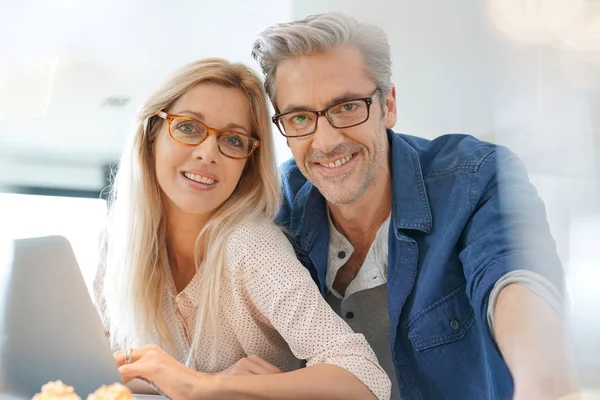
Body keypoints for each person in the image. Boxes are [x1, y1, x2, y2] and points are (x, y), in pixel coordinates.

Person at [252, 12, 580, 400]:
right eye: (301, 117)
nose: (325, 142)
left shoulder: (475, 178)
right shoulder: (273, 212)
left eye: (347, 107)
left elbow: (514, 280)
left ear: (388, 105)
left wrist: (539, 379)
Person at [93, 58, 391, 400]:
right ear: (151, 134)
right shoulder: (117, 243)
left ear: (247, 163)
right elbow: (99, 368)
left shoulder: (251, 246)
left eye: (233, 140)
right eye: (189, 127)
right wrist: (197, 380)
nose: (208, 154)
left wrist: (207, 385)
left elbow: (365, 378)